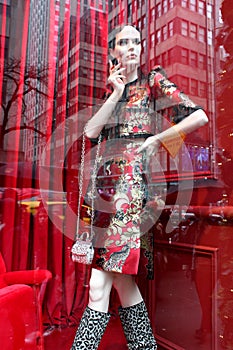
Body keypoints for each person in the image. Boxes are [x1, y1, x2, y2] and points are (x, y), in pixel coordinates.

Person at [71, 24, 208, 350]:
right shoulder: (113, 92)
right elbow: (91, 133)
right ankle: (144, 346)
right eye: (124, 43)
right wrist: (116, 94)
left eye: (137, 42)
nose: (132, 47)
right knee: (122, 281)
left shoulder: (153, 83)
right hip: (105, 197)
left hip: (130, 198)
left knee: (99, 285)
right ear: (113, 54)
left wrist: (158, 139)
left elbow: (198, 116)